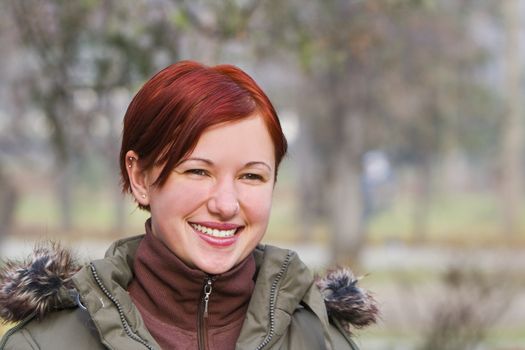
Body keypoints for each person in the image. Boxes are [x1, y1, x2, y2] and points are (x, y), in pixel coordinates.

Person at [0, 61, 377, 349]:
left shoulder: (321, 338)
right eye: (198, 171)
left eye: (251, 176)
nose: (226, 204)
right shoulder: (46, 343)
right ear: (140, 177)